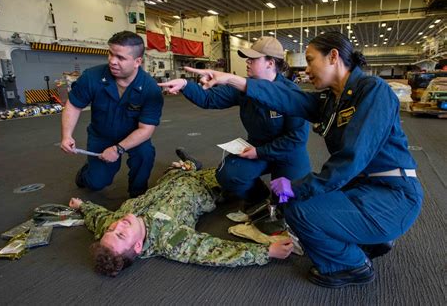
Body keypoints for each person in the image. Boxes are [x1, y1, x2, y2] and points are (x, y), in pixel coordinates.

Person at [179, 31, 424, 288]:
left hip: (391, 196)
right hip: (363, 188)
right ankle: (370, 238)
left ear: (333, 56)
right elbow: (289, 98)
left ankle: (351, 265)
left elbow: (350, 161)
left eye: (310, 60)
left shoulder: (373, 91)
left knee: (298, 209)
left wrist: (296, 187)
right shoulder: (333, 99)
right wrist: (231, 79)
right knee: (298, 202)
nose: (306, 70)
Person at [68, 153, 293, 277]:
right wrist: (267, 252)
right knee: (238, 169)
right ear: (137, 247)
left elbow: (98, 217)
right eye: (120, 235)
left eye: (111, 230)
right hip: (207, 185)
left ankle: (188, 164)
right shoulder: (170, 239)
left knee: (177, 168)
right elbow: (214, 251)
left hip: (170, 180)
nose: (117, 226)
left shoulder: (113, 224)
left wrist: (82, 206)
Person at [159, 36, 311, 210]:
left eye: (253, 58)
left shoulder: (291, 93)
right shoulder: (243, 88)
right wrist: (185, 84)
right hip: (257, 148)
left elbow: (296, 139)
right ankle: (257, 196)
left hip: (288, 153)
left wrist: (260, 152)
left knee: (289, 204)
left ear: (270, 63)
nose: (247, 61)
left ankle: (282, 198)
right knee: (228, 175)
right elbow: (209, 98)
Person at [61, 31, 163, 198]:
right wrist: (67, 136)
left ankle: (137, 194)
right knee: (97, 183)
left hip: (134, 136)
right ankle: (86, 175)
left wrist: (118, 149)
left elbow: (146, 130)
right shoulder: (92, 77)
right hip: (102, 136)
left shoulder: (150, 89)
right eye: (110, 54)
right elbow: (73, 105)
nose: (112, 61)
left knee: (145, 155)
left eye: (120, 58)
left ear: (138, 61)